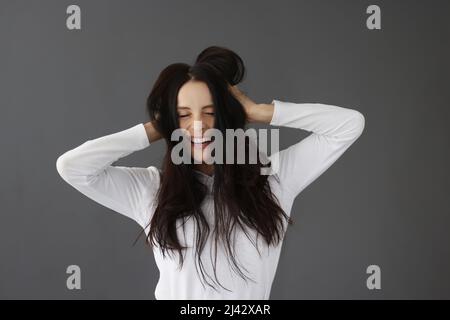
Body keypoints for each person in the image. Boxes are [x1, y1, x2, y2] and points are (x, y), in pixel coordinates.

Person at [56, 46, 365, 299]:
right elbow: (73, 167)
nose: (199, 126)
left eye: (210, 112)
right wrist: (155, 129)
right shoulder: (151, 189)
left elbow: (348, 126)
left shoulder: (272, 179)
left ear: (227, 116)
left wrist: (260, 111)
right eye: (184, 115)